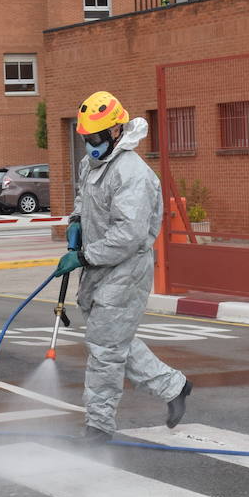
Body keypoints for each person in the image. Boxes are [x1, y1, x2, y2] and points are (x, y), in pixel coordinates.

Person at [56, 90, 192, 442]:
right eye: (86, 138)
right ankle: (174, 386)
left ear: (116, 131)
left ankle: (98, 428)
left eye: (97, 137)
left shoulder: (132, 174)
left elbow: (129, 235)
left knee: (104, 348)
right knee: (113, 341)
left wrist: (83, 256)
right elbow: (84, 200)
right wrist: (75, 221)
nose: (90, 144)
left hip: (126, 268)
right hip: (99, 266)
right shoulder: (92, 165)